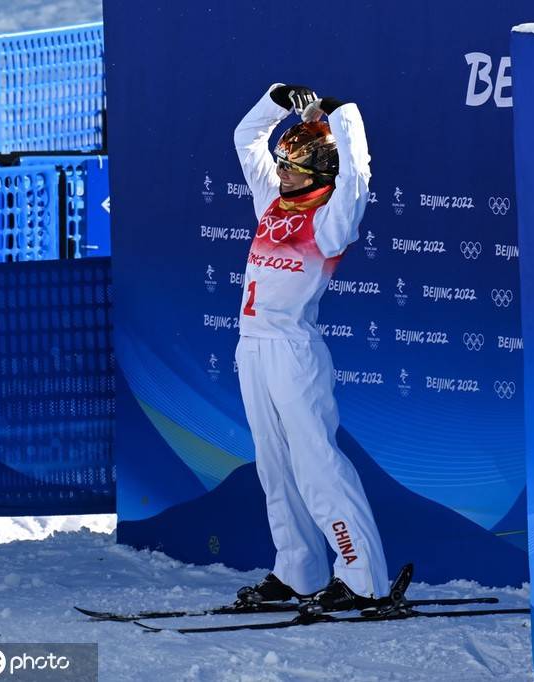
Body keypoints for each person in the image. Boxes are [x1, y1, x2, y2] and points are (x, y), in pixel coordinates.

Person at [231, 83, 389, 611]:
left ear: (320, 170)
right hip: (251, 347)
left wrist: (344, 113)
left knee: (316, 463)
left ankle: (364, 578)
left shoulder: (330, 221)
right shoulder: (272, 202)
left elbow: (358, 176)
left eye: (293, 165)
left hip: (293, 353)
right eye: (282, 163)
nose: (281, 172)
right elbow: (245, 138)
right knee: (272, 465)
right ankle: (298, 569)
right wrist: (277, 100)